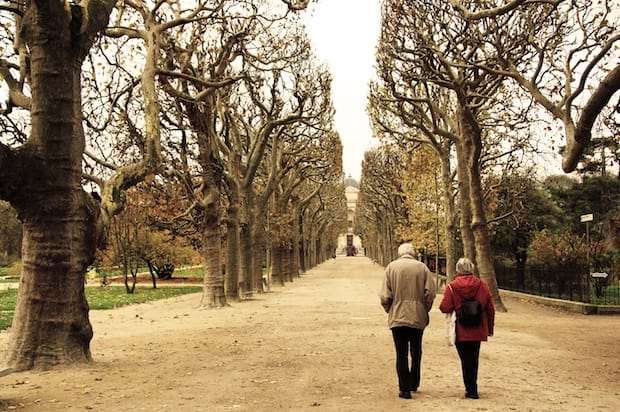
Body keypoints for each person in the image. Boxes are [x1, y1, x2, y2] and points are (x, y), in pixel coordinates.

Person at [379, 243, 437, 399]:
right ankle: (414, 382)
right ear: (413, 253)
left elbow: (385, 296)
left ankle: (404, 389)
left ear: (399, 253)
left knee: (401, 353)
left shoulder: (391, 268)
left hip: (397, 316)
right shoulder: (422, 268)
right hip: (418, 316)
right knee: (416, 351)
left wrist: (390, 309)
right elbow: (430, 293)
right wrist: (425, 309)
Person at [439, 257, 495, 399]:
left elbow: (445, 307)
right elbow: (490, 309)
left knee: (465, 359)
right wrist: (489, 328)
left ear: (457, 270)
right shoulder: (483, 285)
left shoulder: (452, 286)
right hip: (477, 328)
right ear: (472, 269)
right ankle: (472, 388)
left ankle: (469, 387)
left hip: (460, 328)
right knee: (474, 359)